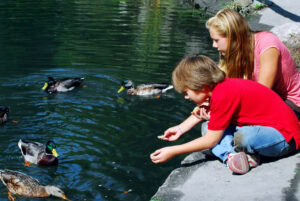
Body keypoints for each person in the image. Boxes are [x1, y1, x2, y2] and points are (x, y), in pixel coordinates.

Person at [150, 55, 300, 175]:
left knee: (243, 137)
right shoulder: (219, 88)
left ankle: (234, 154)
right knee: (208, 126)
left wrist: (173, 150)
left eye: (186, 92)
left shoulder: (223, 95)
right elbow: (203, 114)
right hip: (262, 129)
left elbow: (210, 141)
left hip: (285, 138)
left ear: (200, 86)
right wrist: (181, 129)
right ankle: (234, 158)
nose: (186, 97)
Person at [205, 9, 300, 120]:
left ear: (233, 37)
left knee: (245, 135)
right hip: (270, 102)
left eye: (216, 40)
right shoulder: (235, 53)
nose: (214, 45)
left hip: (292, 104)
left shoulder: (266, 43)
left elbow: (261, 94)